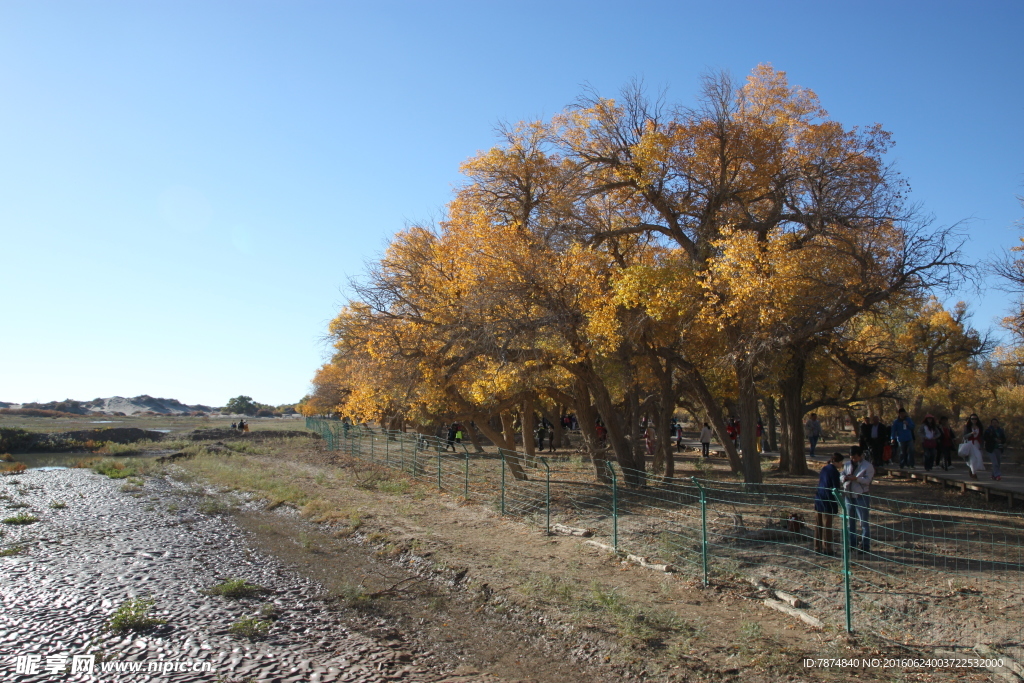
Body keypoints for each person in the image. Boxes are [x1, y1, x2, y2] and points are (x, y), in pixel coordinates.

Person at [841, 446, 874, 553]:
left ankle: (865, 546)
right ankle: (852, 544)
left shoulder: (868, 466)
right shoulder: (847, 464)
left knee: (863, 522)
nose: (853, 459)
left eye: (855, 457)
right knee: (850, 522)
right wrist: (844, 478)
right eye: (851, 457)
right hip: (848, 496)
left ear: (860, 456)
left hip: (861, 496)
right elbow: (841, 474)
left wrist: (856, 479)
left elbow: (868, 480)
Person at [813, 453, 845, 555]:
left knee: (819, 524)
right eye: (841, 462)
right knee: (827, 525)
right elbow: (835, 487)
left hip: (819, 498)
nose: (842, 464)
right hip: (828, 500)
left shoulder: (824, 469)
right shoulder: (834, 472)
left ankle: (817, 547)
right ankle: (827, 548)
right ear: (837, 462)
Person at [962, 414, 985, 479]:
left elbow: (982, 436)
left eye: (975, 419)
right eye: (972, 419)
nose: (974, 420)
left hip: (977, 443)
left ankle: (972, 470)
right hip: (970, 444)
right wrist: (971, 433)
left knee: (978, 457)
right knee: (972, 459)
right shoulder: (967, 427)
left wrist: (982, 445)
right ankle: (974, 473)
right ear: (970, 419)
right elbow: (964, 436)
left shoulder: (980, 427)